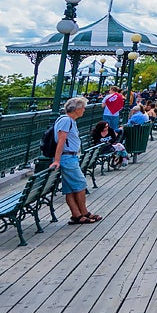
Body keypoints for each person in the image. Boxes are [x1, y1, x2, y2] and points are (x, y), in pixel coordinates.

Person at [50, 96, 98, 224]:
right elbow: (61, 140)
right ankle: (84, 212)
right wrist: (57, 160)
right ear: (76, 109)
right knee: (81, 184)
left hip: (70, 157)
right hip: (67, 157)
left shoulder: (69, 121)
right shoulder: (66, 120)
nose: (84, 110)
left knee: (70, 188)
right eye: (83, 107)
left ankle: (76, 215)